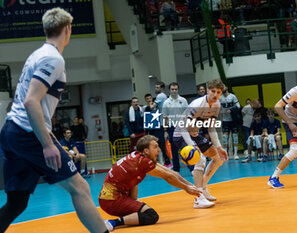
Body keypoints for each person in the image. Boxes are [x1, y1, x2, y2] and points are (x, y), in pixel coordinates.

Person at [0, 8, 108, 233]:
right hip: (27, 132)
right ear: (67, 29)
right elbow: (31, 101)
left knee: (17, 202)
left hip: (12, 130)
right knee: (80, 188)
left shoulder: (37, 54)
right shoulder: (53, 58)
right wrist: (48, 144)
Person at [99, 135, 201, 231]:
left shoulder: (138, 156)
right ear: (146, 151)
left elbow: (171, 173)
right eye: (155, 147)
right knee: (151, 216)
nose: (159, 149)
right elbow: (167, 176)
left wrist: (192, 186)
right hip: (112, 200)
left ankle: (124, 217)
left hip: (111, 197)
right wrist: (186, 188)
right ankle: (111, 223)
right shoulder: (142, 162)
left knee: (139, 210)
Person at [173, 79, 228, 208]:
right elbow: (182, 126)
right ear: (207, 91)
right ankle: (198, 199)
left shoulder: (216, 105)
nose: (215, 94)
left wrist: (219, 147)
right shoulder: (197, 104)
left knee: (218, 158)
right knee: (200, 159)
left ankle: (202, 188)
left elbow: (211, 128)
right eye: (213, 91)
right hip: (181, 134)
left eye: (218, 92)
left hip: (194, 134)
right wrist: (192, 147)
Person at [162, 82, 190, 172]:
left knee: (186, 148)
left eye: (176, 89)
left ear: (178, 90)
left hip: (183, 127)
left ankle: (191, 168)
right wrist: (165, 131)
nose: (174, 91)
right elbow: (164, 117)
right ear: (169, 90)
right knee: (174, 150)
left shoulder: (183, 100)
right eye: (172, 89)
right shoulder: (166, 102)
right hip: (171, 128)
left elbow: (188, 114)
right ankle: (176, 169)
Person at [143, 93, 172, 168]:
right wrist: (146, 133)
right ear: (146, 100)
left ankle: (167, 162)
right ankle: (154, 162)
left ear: (152, 99)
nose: (149, 100)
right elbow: (147, 121)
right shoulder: (146, 109)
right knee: (153, 147)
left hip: (160, 129)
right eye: (147, 99)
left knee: (162, 146)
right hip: (152, 131)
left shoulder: (158, 107)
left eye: (150, 98)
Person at [219, 85, 241, 159]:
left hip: (233, 119)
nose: (223, 89)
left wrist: (231, 110)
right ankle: (226, 154)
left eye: (223, 87)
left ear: (227, 87)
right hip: (225, 120)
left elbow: (238, 106)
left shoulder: (232, 96)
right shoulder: (220, 98)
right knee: (225, 137)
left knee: (235, 136)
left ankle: (235, 153)